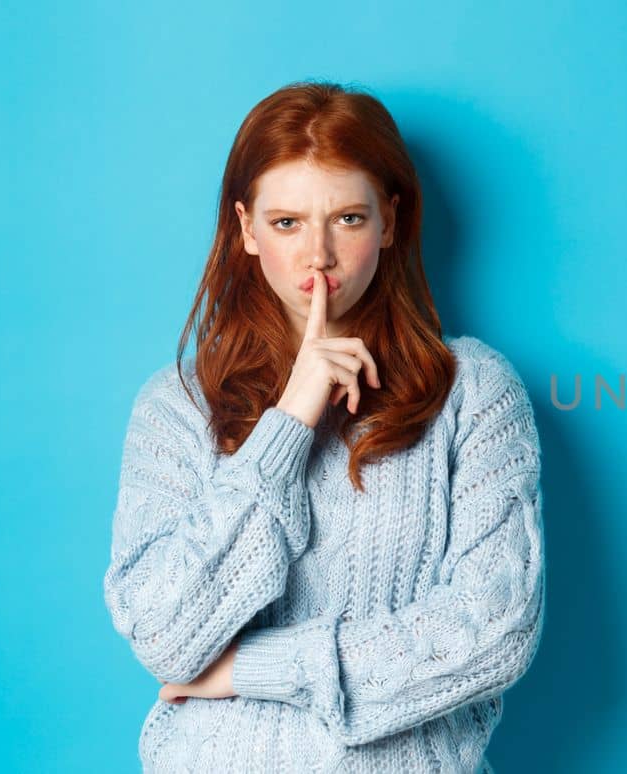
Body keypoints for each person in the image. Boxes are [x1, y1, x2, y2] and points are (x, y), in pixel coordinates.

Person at [102, 79, 544, 773]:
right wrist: (289, 421)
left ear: (391, 221)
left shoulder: (473, 391)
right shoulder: (176, 406)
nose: (318, 256)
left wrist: (251, 669)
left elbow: (493, 630)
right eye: (287, 223)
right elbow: (165, 637)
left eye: (347, 219)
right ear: (246, 228)